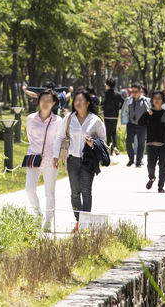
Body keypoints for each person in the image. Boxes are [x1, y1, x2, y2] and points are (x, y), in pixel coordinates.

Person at [64, 88, 106, 231]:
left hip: (88, 160)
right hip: (72, 159)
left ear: (88, 102)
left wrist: (93, 143)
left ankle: (85, 223)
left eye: (81, 100)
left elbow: (103, 140)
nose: (78, 102)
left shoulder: (95, 120)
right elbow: (59, 137)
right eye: (76, 100)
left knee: (86, 191)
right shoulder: (69, 118)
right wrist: (56, 156)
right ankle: (79, 220)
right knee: (75, 192)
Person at [22, 88, 64, 231]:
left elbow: (60, 140)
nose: (45, 103)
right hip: (34, 157)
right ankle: (38, 214)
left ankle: (48, 221)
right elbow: (30, 136)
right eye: (43, 100)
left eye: (48, 100)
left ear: (53, 103)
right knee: (29, 189)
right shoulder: (31, 118)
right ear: (38, 101)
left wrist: (57, 156)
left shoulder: (59, 121)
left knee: (49, 192)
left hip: (51, 159)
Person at [139, 91, 165, 193]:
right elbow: (140, 123)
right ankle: (152, 178)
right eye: (155, 98)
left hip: (164, 145)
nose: (157, 100)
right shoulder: (149, 113)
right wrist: (147, 113)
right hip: (151, 144)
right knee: (150, 165)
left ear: (163, 100)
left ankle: (161, 186)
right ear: (152, 100)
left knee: (163, 166)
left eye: (159, 98)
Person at [120, 82, 150, 167]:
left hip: (141, 125)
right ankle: (131, 159)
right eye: (133, 91)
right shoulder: (129, 100)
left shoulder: (145, 101)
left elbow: (150, 111)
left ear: (140, 91)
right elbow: (124, 111)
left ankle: (138, 161)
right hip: (131, 124)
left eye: (136, 91)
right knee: (128, 142)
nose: (134, 93)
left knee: (141, 143)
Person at [101, 79, 125, 154]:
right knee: (114, 131)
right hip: (115, 115)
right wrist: (119, 108)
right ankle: (115, 146)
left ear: (107, 85)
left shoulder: (105, 94)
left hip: (107, 115)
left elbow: (103, 103)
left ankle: (109, 148)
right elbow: (123, 101)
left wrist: (103, 108)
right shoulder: (117, 94)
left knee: (108, 131)